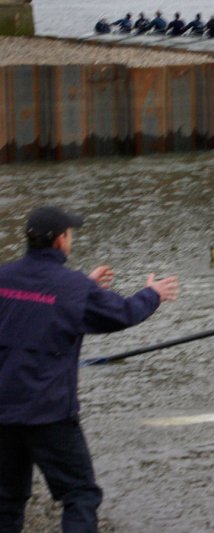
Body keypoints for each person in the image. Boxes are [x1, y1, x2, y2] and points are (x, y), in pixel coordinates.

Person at [0, 206, 179, 532]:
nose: (72, 240)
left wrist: (84, 284)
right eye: (70, 234)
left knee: (7, 497)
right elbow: (122, 313)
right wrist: (152, 294)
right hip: (49, 413)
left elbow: (36, 301)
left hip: (3, 409)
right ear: (59, 241)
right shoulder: (74, 289)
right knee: (80, 494)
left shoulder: (4, 277)